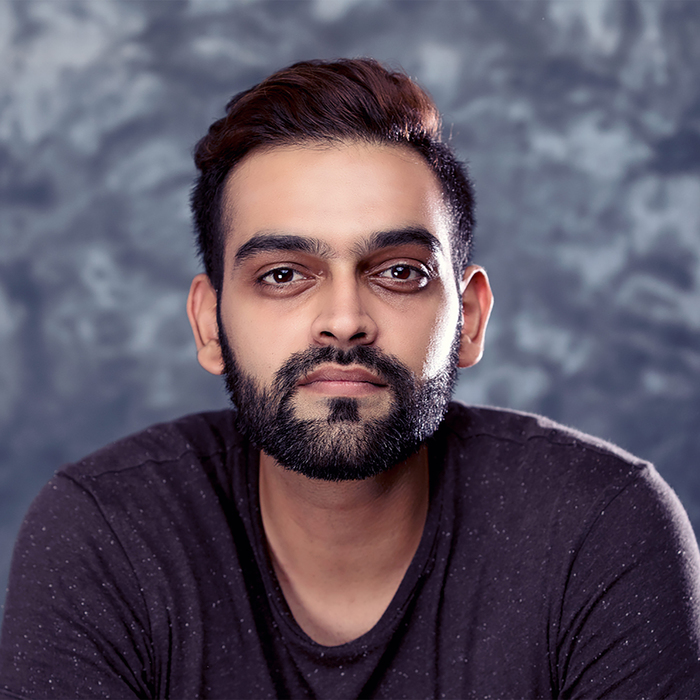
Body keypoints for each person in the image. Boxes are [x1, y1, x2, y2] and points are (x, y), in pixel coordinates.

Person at [1, 58, 699, 700]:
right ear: (210, 324)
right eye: (283, 275)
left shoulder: (602, 527)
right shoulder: (103, 535)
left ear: (469, 319)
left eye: (399, 272)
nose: (343, 321)